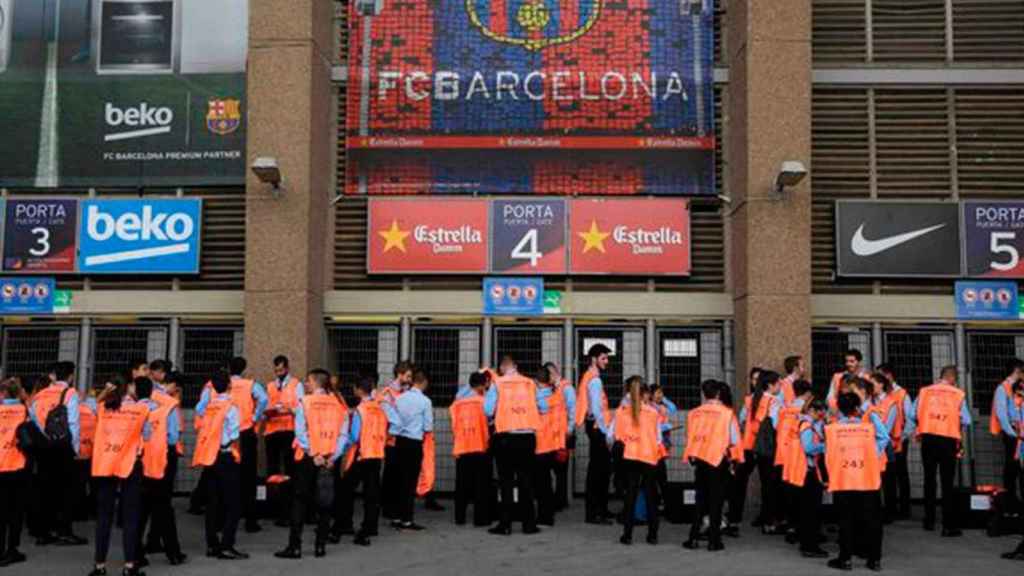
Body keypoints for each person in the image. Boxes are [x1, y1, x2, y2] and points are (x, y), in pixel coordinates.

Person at [276, 369, 351, 559]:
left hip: (309, 459)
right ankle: (320, 546)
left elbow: (300, 433)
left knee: (300, 501)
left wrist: (313, 453)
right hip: (329, 460)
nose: (306, 385)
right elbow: (344, 436)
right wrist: (333, 457)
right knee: (325, 502)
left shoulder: (305, 403)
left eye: (308, 381)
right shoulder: (339, 405)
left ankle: (295, 546)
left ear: (315, 382)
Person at [197, 357, 267, 533]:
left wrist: (211, 418)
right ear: (243, 369)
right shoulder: (250, 384)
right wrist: (254, 416)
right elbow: (264, 399)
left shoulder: (211, 385)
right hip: (244, 433)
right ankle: (250, 520)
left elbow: (199, 408)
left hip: (218, 435)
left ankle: (219, 520)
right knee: (248, 476)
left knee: (219, 479)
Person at [89, 376, 151, 576]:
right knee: (130, 516)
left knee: (104, 517)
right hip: (130, 465)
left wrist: (105, 392)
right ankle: (130, 566)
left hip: (106, 464)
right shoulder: (141, 409)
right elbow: (148, 435)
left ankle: (99, 566)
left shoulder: (102, 408)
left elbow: (92, 404)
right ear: (129, 388)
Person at [484, 356, 548, 535]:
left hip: (505, 437)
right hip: (527, 437)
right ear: (516, 366)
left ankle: (505, 525)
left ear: (502, 368)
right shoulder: (530, 383)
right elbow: (543, 407)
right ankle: (529, 525)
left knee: (506, 482)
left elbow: (488, 410)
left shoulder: (498, 383)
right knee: (526, 480)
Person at [825, 391, 888, 572]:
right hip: (867, 479)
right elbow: (885, 437)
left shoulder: (832, 429)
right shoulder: (869, 428)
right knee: (873, 520)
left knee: (845, 520)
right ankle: (874, 560)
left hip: (843, 479)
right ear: (857, 408)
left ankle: (845, 559)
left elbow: (828, 454)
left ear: (839, 409)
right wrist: (872, 454)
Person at [908, 365, 971, 536]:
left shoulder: (925, 392)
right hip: (948, 440)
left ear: (941, 376)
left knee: (929, 479)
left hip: (928, 439)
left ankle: (929, 521)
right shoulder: (957, 394)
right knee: (947, 482)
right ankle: (947, 524)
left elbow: (912, 414)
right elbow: (966, 419)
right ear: (953, 378)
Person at [30, 361, 87, 546]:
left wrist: (46, 435)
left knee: (45, 489)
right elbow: (73, 423)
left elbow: (33, 416)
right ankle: (64, 531)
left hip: (44, 446)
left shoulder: (40, 394)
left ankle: (43, 532)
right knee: (66, 491)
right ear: (70, 376)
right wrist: (75, 448)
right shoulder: (70, 393)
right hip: (63, 447)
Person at [192, 370, 247, 560]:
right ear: (230, 385)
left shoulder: (208, 406)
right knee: (233, 503)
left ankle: (212, 544)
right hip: (225, 455)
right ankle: (227, 545)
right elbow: (234, 434)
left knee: (213, 502)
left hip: (210, 456)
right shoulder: (231, 407)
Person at [683, 379, 742, 551]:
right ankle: (714, 540)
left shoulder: (694, 413)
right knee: (716, 501)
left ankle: (693, 537)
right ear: (718, 394)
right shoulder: (727, 413)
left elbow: (690, 436)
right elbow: (734, 440)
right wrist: (735, 461)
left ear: (705, 394)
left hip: (700, 459)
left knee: (700, 500)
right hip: (718, 460)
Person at [136, 377, 186, 568]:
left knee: (139, 511)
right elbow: (173, 437)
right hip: (159, 463)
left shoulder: (130, 410)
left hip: (136, 465)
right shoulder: (166, 409)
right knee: (164, 509)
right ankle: (173, 553)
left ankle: (135, 554)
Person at [382, 369, 433, 531]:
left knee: (398, 481)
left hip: (399, 443)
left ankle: (396, 517)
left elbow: (393, 419)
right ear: (423, 382)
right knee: (410, 483)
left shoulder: (400, 399)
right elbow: (428, 426)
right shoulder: (425, 401)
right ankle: (407, 520)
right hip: (414, 444)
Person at [341, 374, 387, 546]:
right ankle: (371, 526)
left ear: (359, 390)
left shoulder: (361, 410)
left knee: (346, 488)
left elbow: (354, 436)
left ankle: (345, 523)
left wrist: (341, 447)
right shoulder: (379, 408)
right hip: (377, 454)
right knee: (372, 493)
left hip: (362, 454)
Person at [739, 370, 782, 533]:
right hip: (767, 446)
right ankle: (769, 521)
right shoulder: (774, 401)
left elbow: (743, 419)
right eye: (778, 383)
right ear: (771, 385)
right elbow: (776, 424)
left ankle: (757, 518)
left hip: (751, 444)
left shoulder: (750, 399)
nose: (780, 387)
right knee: (769, 484)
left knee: (759, 482)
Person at [262, 355, 303, 527]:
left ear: (287, 368)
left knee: (289, 470)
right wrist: (269, 411)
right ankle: (274, 507)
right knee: (272, 470)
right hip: (272, 430)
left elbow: (301, 408)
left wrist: (289, 409)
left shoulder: (296, 384)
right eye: (276, 370)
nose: (278, 373)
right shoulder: (270, 386)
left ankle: (288, 510)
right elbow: (265, 406)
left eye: (281, 369)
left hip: (288, 431)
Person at [576, 343, 613, 525]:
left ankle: (599, 511)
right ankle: (597, 513)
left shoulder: (588, 376)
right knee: (600, 472)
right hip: (598, 428)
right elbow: (598, 409)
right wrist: (607, 433)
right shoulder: (595, 380)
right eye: (604, 358)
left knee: (597, 471)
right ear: (594, 359)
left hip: (593, 426)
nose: (607, 361)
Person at [788, 398, 828, 558]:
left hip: (803, 471)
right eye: (821, 412)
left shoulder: (802, 423)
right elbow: (809, 448)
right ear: (813, 410)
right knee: (811, 511)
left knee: (807, 510)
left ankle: (808, 542)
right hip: (807, 472)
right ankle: (810, 546)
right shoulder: (806, 426)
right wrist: (826, 446)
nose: (823, 415)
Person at [451, 371, 491, 527]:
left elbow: (454, 425)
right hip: (480, 446)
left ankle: (459, 517)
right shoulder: (484, 401)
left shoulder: (458, 403)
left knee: (461, 484)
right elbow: (490, 420)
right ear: (481, 385)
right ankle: (480, 519)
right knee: (481, 484)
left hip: (462, 446)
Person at [776, 378, 812, 542]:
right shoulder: (806, 412)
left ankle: (791, 527)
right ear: (807, 394)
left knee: (789, 495)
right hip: (801, 457)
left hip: (784, 455)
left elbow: (777, 428)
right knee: (804, 498)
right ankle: (801, 529)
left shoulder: (784, 410)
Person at [727, 366, 762, 532]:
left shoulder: (772, 399)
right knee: (739, 482)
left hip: (764, 447)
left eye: (758, 379)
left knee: (769, 485)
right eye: (753, 379)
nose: (755, 382)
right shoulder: (749, 399)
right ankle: (734, 518)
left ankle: (768, 517)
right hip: (748, 445)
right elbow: (741, 421)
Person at [876, 363, 912, 519]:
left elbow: (910, 418)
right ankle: (890, 508)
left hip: (897, 440)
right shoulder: (878, 396)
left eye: (880, 375)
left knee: (901, 475)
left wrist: (903, 437)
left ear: (888, 376)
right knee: (888, 476)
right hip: (884, 441)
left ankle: (904, 509)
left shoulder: (902, 394)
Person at [0, 378, 29, 567]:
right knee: (16, 510)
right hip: (18, 465)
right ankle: (12, 549)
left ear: (2, 393)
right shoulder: (24, 410)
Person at [380, 361, 414, 521]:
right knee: (391, 474)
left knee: (400, 474)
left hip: (404, 438)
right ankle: (388, 507)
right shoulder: (388, 392)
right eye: (407, 376)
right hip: (392, 438)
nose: (409, 379)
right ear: (399, 374)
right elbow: (388, 414)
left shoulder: (407, 391)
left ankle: (397, 506)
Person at [534, 367, 567, 527]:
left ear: (537, 382)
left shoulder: (535, 399)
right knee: (548, 482)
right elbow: (562, 422)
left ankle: (542, 516)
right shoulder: (558, 398)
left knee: (540, 483)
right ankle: (548, 516)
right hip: (553, 444)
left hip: (539, 444)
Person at [991, 359, 1024, 510]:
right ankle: (1010, 502)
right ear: (1016, 371)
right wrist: (1012, 434)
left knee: (1020, 467)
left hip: (1021, 434)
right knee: (1012, 468)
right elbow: (1001, 414)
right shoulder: (1003, 388)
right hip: (1014, 435)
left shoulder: (1019, 387)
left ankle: (1017, 502)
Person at [650, 384, 677, 510]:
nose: (660, 395)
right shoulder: (650, 408)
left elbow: (673, 408)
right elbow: (652, 427)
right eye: (657, 393)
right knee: (659, 474)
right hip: (655, 442)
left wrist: (664, 399)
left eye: (661, 392)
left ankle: (661, 502)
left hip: (663, 441)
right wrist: (667, 427)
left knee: (660, 473)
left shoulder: (661, 406)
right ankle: (659, 502)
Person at [75, 384, 98, 521]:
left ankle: (79, 512)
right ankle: (93, 510)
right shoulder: (92, 409)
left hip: (78, 452)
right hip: (92, 451)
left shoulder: (72, 410)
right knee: (93, 484)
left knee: (78, 485)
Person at [827, 350, 868, 416]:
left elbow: (869, 400)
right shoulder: (837, 377)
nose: (848, 364)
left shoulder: (867, 378)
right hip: (840, 414)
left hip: (862, 414)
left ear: (859, 362)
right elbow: (830, 398)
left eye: (852, 361)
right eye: (847, 361)